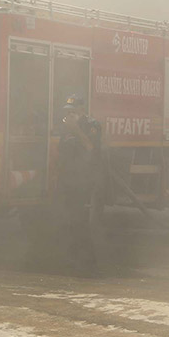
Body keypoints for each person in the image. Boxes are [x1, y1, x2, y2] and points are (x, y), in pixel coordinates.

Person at [54, 93, 104, 272]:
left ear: (82, 109)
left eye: (73, 110)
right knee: (68, 220)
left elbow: (90, 148)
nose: (69, 114)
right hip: (68, 179)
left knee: (80, 221)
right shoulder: (67, 128)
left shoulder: (92, 125)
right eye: (68, 111)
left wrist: (75, 129)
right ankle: (72, 260)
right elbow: (62, 151)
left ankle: (89, 262)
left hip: (84, 180)